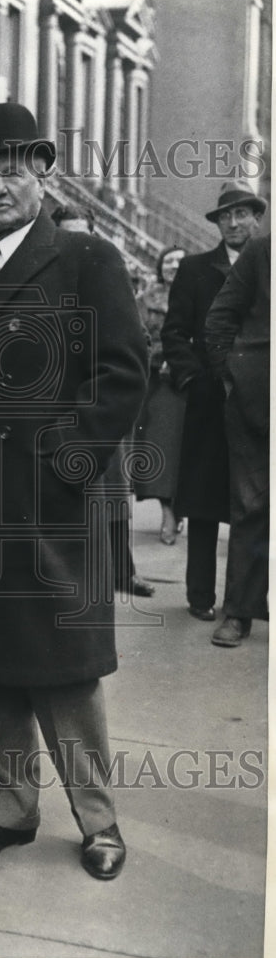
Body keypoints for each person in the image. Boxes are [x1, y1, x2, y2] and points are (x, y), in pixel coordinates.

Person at [0, 103, 148, 879]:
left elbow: (122, 376)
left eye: (14, 169)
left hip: (52, 507)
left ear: (43, 175)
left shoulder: (88, 262)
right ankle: (8, 811)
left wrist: (66, 462)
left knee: (66, 669)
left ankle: (99, 822)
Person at [161, 181, 265, 622]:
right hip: (211, 398)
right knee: (204, 502)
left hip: (256, 397)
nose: (234, 222)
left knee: (252, 503)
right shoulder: (195, 268)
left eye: (242, 214)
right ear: (218, 223)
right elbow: (174, 332)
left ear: (256, 218)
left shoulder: (266, 264)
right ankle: (200, 594)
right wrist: (194, 380)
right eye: (226, 216)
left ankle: (248, 600)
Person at [51, 204, 155, 598]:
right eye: (69, 233)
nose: (79, 242)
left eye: (85, 233)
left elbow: (137, 338)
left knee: (114, 489)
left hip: (103, 397)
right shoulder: (48, 274)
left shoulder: (109, 274)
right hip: (62, 402)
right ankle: (84, 573)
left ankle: (123, 569)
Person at [205, 233, 270, 647]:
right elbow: (219, 318)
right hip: (257, 398)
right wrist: (233, 378)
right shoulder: (264, 250)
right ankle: (238, 614)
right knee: (251, 506)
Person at [134, 245, 187, 544]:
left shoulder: (200, 297)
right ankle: (168, 511)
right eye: (168, 261)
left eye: (180, 261)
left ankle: (178, 509)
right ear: (160, 266)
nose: (174, 266)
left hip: (188, 382)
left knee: (183, 453)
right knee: (160, 449)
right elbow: (136, 334)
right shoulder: (145, 300)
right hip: (158, 383)